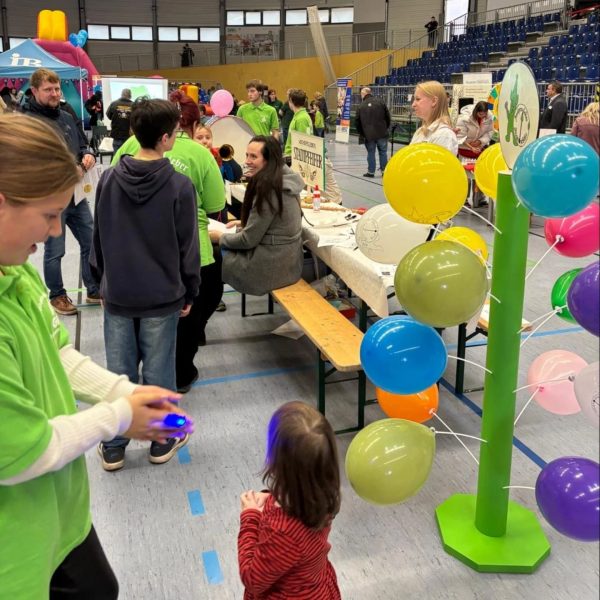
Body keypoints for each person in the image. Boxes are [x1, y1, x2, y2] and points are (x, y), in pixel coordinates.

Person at [0, 112, 190, 599]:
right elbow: (23, 453)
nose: (54, 231)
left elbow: (56, 352)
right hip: (14, 547)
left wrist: (123, 391)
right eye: (48, 214)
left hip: (57, 512)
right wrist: (118, 416)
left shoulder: (14, 271)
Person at [91, 99, 200, 471]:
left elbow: (98, 236)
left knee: (118, 373)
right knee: (158, 372)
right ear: (166, 138)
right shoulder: (180, 186)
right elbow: (188, 246)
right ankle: (162, 438)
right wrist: (190, 288)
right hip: (162, 295)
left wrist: (99, 280)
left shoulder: (108, 179)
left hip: (118, 292)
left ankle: (114, 445)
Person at [112, 90, 226, 393]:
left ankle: (135, 392)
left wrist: (101, 275)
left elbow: (109, 210)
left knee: (134, 337)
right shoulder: (195, 162)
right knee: (182, 326)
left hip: (131, 259)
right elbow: (214, 206)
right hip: (183, 258)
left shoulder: (127, 152)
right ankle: (180, 376)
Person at [238, 401, 341, 599]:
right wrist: (271, 498)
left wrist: (249, 517)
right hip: (315, 584)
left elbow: (253, 579)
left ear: (277, 462)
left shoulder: (283, 531)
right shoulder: (323, 493)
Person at [22, 68, 101, 315]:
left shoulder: (66, 115)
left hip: (75, 195)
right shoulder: (27, 122)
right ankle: (57, 295)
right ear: (34, 91)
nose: (55, 93)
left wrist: (88, 154)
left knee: (90, 241)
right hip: (50, 197)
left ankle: (94, 288)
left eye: (56, 89)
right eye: (48, 90)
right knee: (55, 250)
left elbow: (82, 143)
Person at [211, 136, 304, 296]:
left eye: (253, 156)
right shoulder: (286, 181)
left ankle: (206, 304)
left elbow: (247, 240)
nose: (247, 161)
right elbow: (275, 224)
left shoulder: (269, 190)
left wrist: (219, 237)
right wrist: (245, 223)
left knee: (210, 254)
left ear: (269, 160)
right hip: (288, 264)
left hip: (271, 268)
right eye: (247, 155)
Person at [410, 80, 458, 155]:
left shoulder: (444, 135)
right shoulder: (420, 131)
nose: (413, 104)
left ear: (434, 101)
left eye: (418, 99)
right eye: (414, 100)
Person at [355, 86, 391, 178]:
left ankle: (371, 172)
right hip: (382, 132)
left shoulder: (361, 106)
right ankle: (384, 171)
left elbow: (357, 122)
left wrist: (362, 133)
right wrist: (385, 127)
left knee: (371, 152)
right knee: (383, 152)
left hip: (368, 134)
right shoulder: (381, 102)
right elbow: (388, 117)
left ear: (363, 94)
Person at [284, 88, 313, 162]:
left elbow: (303, 143)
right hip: (292, 156)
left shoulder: (301, 119)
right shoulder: (298, 116)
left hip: (295, 158)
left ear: (291, 100)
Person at [105, 88, 133, 153]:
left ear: (121, 94)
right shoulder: (134, 105)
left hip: (117, 135)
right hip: (129, 136)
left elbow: (108, 115)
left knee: (117, 156)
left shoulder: (114, 103)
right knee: (128, 155)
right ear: (130, 95)